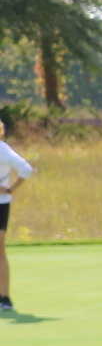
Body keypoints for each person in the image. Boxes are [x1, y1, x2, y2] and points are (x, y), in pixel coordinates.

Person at [0, 116, 34, 311]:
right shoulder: (4, 149)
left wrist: (10, 189)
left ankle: (4, 297)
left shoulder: (3, 150)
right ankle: (4, 297)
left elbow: (26, 169)